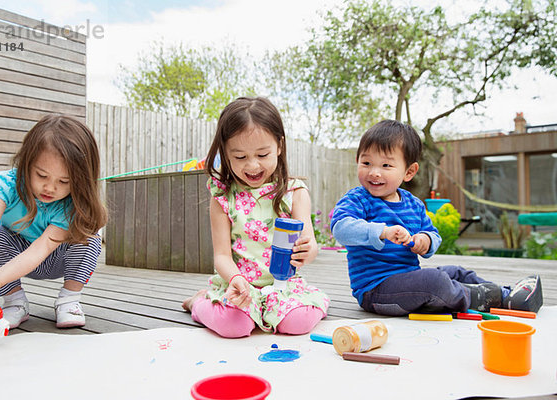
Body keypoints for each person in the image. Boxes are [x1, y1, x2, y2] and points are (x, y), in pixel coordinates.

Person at [331, 119, 542, 316]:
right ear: (357, 161)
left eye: (386, 166)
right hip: (376, 291)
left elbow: (432, 233)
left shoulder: (413, 204)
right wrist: (382, 231)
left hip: (409, 281)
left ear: (409, 172)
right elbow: (341, 228)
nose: (374, 172)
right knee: (434, 281)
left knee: (455, 272)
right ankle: (487, 299)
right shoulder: (357, 199)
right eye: (367, 163)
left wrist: (425, 240)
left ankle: (506, 293)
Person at [182, 97, 330, 337]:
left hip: (282, 286)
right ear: (226, 153)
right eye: (240, 157)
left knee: (296, 324)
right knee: (235, 327)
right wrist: (235, 278)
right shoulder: (222, 197)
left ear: (279, 146)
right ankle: (198, 303)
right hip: (240, 286)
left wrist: (308, 251)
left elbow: (310, 244)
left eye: (262, 154)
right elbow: (221, 256)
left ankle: (311, 303)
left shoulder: (295, 192)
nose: (252, 165)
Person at [0, 115, 108, 329]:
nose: (50, 188)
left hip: (56, 257)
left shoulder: (72, 205)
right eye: (41, 175)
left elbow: (40, 250)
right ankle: (15, 302)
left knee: (89, 238)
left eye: (64, 181)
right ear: (27, 162)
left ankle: (69, 300)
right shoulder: (8, 184)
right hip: (16, 257)